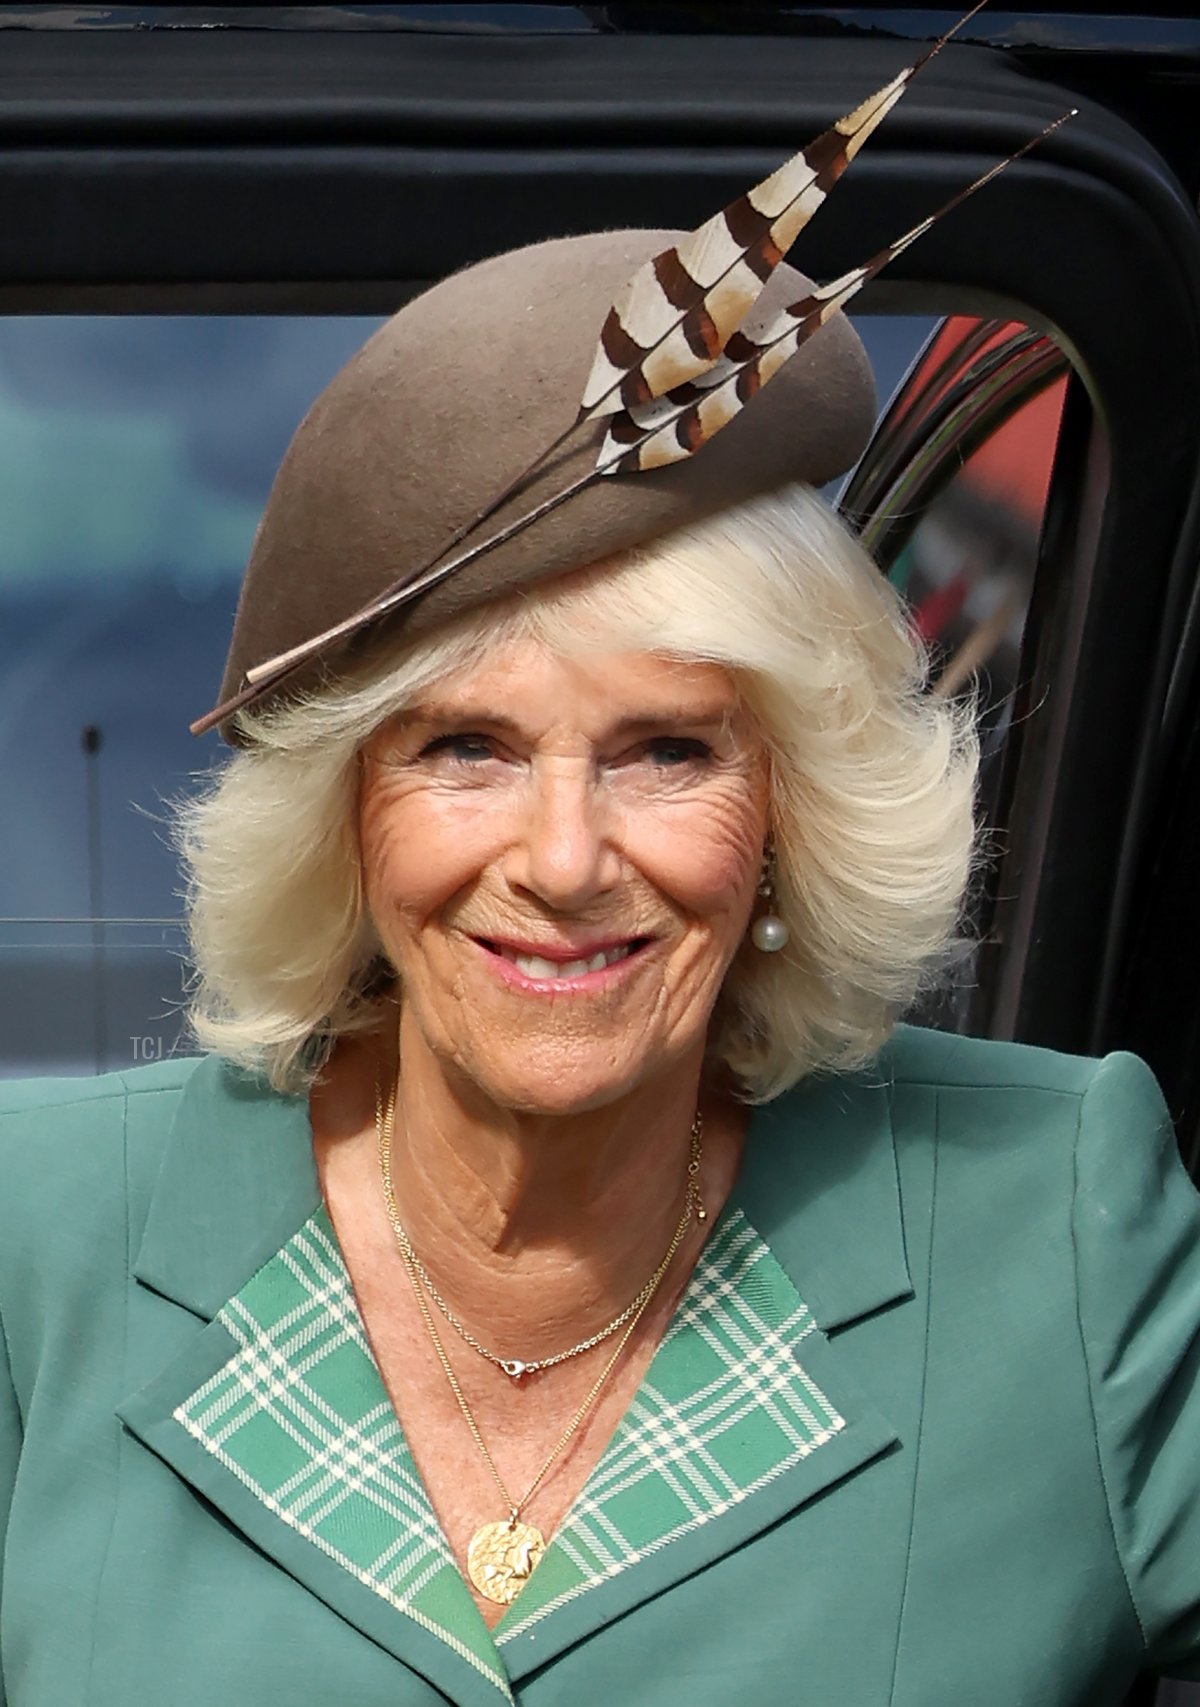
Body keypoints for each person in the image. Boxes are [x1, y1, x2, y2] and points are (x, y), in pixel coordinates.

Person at [2, 82, 1200, 1707]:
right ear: (345, 815)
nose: (565, 862)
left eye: (665, 751)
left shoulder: (1058, 1225)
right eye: (467, 748)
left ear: (791, 808)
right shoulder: (38, 1234)